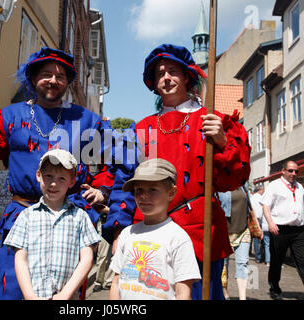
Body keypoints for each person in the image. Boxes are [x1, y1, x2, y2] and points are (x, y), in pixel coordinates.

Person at [0, 47, 124, 299]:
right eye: (46, 74)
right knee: (12, 289)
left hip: (68, 220)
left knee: (62, 294)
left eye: (60, 76)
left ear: (67, 82)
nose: (53, 80)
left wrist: (102, 190)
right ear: (33, 78)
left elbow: (118, 155)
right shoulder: (10, 116)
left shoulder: (86, 120)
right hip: (21, 216)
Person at [104, 44, 251, 300]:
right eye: (160, 73)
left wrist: (222, 142)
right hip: (147, 232)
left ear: (186, 77)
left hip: (200, 231)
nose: (166, 78)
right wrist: (119, 230)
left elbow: (234, 180)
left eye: (173, 71)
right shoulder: (141, 128)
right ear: (153, 82)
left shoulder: (211, 120)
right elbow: (124, 181)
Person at [3, 149, 100, 300]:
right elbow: (20, 258)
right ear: (38, 175)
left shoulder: (80, 217)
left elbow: (87, 258)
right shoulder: (26, 216)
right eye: (48, 176)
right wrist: (29, 295)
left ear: (72, 181)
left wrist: (65, 294)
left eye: (62, 178)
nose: (54, 183)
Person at [109, 158, 201, 300]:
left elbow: (183, 292)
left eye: (153, 190)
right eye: (139, 189)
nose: (144, 196)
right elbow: (116, 282)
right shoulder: (127, 233)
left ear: (170, 193)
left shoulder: (178, 238)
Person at [261, 161, 304, 300]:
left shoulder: (299, 187)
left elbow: (300, 205)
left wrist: (303, 221)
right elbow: (265, 206)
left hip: (298, 231)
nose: (294, 174)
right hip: (280, 229)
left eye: (296, 171)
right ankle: (275, 289)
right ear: (283, 171)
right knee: (277, 262)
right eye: (291, 171)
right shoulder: (274, 186)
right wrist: (270, 223)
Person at [218, 185, 258, 300]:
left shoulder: (243, 183)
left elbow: (249, 205)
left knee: (243, 263)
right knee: (223, 266)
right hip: (224, 232)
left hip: (242, 230)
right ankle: (224, 293)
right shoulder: (220, 182)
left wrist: (257, 225)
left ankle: (242, 297)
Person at [93, 205, 115, 293]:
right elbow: (98, 206)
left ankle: (109, 282)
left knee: (114, 256)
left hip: (118, 225)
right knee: (101, 255)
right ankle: (98, 282)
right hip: (104, 224)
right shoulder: (105, 192)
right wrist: (114, 210)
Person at [250, 186, 270, 266]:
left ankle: (257, 257)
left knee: (255, 238)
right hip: (259, 219)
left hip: (253, 218)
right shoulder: (260, 198)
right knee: (260, 239)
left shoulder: (252, 198)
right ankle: (260, 257)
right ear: (260, 190)